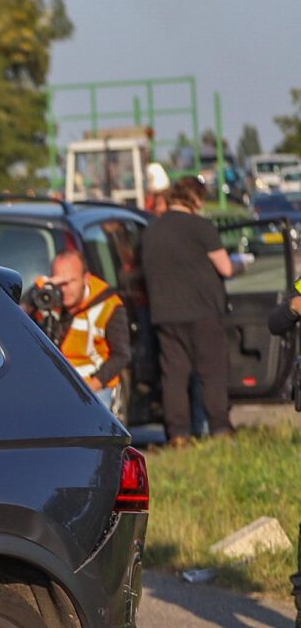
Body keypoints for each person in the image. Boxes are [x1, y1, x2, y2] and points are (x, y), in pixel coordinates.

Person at [141, 177, 243, 444]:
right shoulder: (202, 227)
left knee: (174, 375)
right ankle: (220, 428)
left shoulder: (151, 230)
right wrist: (241, 263)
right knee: (212, 372)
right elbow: (226, 268)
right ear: (195, 199)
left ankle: (178, 435)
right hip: (203, 312)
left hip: (165, 313)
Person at [45, 248, 130, 417]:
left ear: (86, 278)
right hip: (58, 389)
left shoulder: (109, 306)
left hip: (96, 389)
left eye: (71, 282)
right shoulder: (47, 299)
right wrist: (36, 297)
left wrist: (91, 386)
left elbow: (122, 355)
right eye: (60, 283)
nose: (65, 290)